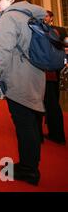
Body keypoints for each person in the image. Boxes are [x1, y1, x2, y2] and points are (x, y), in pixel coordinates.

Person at [0, 0, 46, 185]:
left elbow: (3, 49)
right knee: (31, 123)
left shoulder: (10, 17)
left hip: (18, 77)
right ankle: (30, 164)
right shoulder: (31, 15)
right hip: (35, 75)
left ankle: (29, 170)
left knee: (24, 125)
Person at [41, 10, 66, 145]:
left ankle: (56, 134)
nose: (43, 18)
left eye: (46, 15)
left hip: (50, 72)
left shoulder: (56, 31)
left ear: (51, 18)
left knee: (52, 103)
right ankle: (54, 131)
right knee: (50, 102)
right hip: (49, 71)